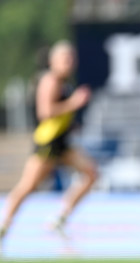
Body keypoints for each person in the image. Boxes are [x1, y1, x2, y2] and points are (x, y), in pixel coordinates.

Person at [0, 41, 97, 243]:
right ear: (53, 61)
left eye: (71, 58)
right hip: (48, 142)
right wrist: (74, 103)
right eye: (65, 59)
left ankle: (61, 218)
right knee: (27, 186)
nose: (69, 63)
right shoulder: (50, 80)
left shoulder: (65, 83)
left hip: (63, 142)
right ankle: (4, 224)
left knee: (91, 173)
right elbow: (45, 112)